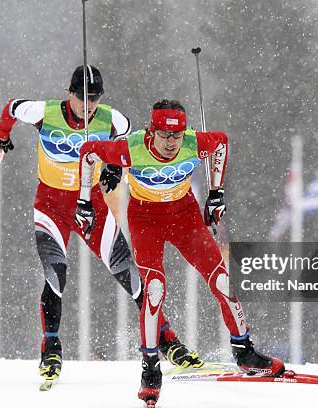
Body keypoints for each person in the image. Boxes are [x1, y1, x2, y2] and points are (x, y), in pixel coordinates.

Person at [0, 67, 202, 386]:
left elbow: (130, 139)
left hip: (92, 209)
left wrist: (114, 168)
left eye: (95, 98)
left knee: (130, 274)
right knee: (55, 273)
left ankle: (168, 342)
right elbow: (12, 107)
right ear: (69, 93)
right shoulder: (44, 112)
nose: (88, 105)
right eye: (82, 98)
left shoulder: (111, 119)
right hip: (52, 207)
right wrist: (2, 136)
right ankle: (51, 349)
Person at [75, 99, 286, 406]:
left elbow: (222, 143)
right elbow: (88, 152)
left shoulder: (192, 142)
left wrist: (216, 193)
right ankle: (150, 368)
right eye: (164, 135)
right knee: (155, 289)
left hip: (184, 216)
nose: (172, 143)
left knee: (223, 281)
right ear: (151, 130)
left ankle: (244, 352)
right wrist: (83, 200)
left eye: (177, 136)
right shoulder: (130, 148)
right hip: (146, 219)